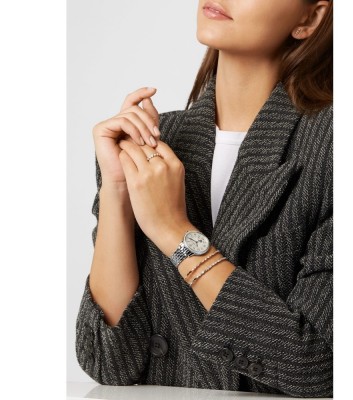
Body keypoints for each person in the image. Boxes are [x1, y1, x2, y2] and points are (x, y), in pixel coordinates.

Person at [75, 0, 333, 397]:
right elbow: (107, 362)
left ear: (310, 18)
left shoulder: (334, 148)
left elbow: (318, 365)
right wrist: (117, 189)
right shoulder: (157, 144)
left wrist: (174, 232)